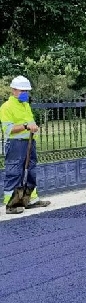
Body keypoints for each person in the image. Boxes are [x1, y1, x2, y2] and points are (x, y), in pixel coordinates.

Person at [0, 75, 51, 214]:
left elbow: (30, 123)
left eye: (27, 91)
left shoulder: (25, 105)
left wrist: (33, 126)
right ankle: (11, 204)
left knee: (30, 170)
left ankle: (29, 200)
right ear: (13, 90)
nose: (25, 94)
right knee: (15, 172)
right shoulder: (6, 107)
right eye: (22, 91)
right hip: (15, 144)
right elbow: (8, 129)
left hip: (29, 142)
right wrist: (26, 126)